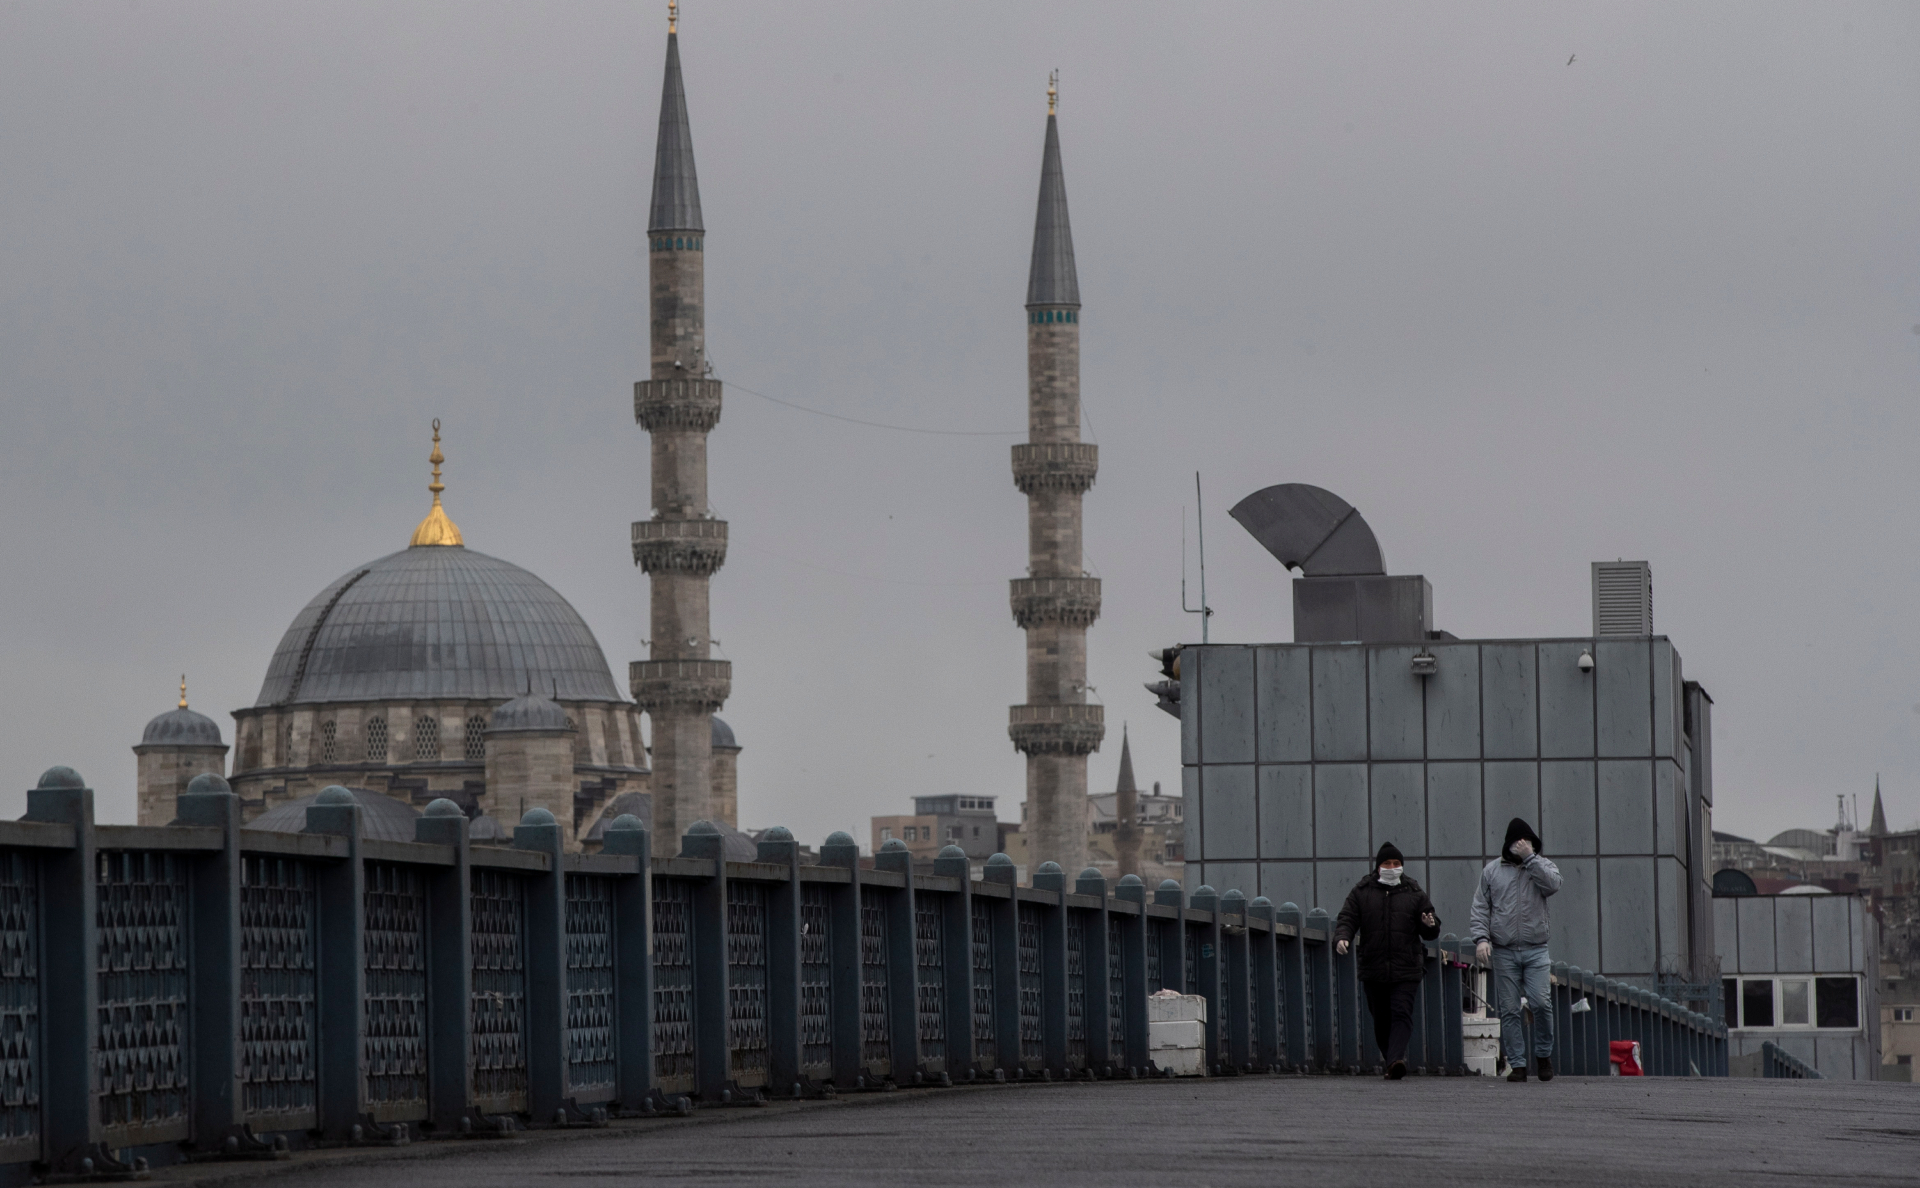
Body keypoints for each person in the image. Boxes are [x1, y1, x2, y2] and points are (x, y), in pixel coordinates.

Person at [1334, 842, 1440, 1080]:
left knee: (1401, 1012)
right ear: (1378, 867)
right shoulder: (1361, 892)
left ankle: (1395, 1060)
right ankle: (1392, 1059)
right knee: (1381, 1017)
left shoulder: (1414, 893)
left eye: (1396, 864)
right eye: (1387, 863)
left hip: (1407, 967)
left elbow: (1432, 930)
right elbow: (1347, 918)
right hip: (1374, 967)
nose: (1392, 868)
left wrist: (1430, 924)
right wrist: (1342, 937)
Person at [1470, 817, 1564, 1082]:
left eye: (1527, 842)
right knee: (1509, 1009)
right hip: (1503, 950)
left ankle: (1543, 1055)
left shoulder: (1542, 866)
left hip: (1536, 950)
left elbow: (1553, 885)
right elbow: (1480, 906)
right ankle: (1518, 1064)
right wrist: (1481, 939)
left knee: (1541, 1003)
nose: (1522, 845)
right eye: (1518, 842)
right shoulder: (1492, 872)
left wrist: (1531, 859)